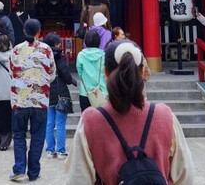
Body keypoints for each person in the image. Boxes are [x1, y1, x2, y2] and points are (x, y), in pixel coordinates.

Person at [65, 40, 194, 185]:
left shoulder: (91, 120)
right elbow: (185, 176)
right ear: (142, 71)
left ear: (106, 72)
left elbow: (78, 178)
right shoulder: (164, 115)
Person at [9, 18, 56, 182]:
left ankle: (19, 168)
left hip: (20, 99)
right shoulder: (46, 49)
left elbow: (11, 71)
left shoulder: (16, 50)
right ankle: (34, 172)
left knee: (19, 135)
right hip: (41, 100)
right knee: (37, 136)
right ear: (39, 32)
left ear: (24, 32)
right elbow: (52, 74)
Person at [43, 32, 76, 160]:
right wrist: (71, 80)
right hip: (60, 93)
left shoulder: (43, 57)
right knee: (60, 123)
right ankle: (61, 150)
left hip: (47, 93)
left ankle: (50, 150)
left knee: (49, 123)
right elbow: (66, 77)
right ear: (56, 44)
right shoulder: (59, 57)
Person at [76, 29, 107, 112]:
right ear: (98, 41)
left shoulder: (81, 55)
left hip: (85, 92)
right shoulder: (104, 55)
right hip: (101, 92)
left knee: (87, 121)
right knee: (102, 120)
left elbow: (80, 72)